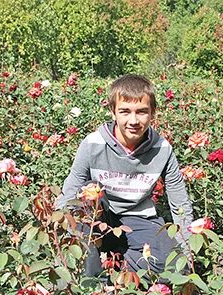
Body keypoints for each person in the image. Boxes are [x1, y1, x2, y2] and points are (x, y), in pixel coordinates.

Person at [56, 74, 193, 278]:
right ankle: (91, 283)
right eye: (125, 111)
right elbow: (70, 192)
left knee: (172, 268)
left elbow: (180, 204)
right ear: (113, 112)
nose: (133, 120)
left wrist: (187, 261)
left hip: (139, 219)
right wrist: (60, 237)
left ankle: (118, 267)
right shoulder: (92, 144)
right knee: (83, 201)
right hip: (98, 214)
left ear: (152, 113)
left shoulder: (162, 149)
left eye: (141, 112)